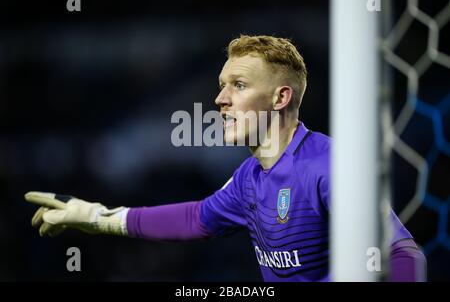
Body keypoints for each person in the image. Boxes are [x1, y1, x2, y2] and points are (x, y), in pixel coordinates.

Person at [25, 35, 426, 282]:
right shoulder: (249, 178)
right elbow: (194, 219)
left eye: (238, 85)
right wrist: (94, 217)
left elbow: (404, 255)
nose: (220, 99)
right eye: (221, 86)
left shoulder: (327, 165)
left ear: (280, 97)